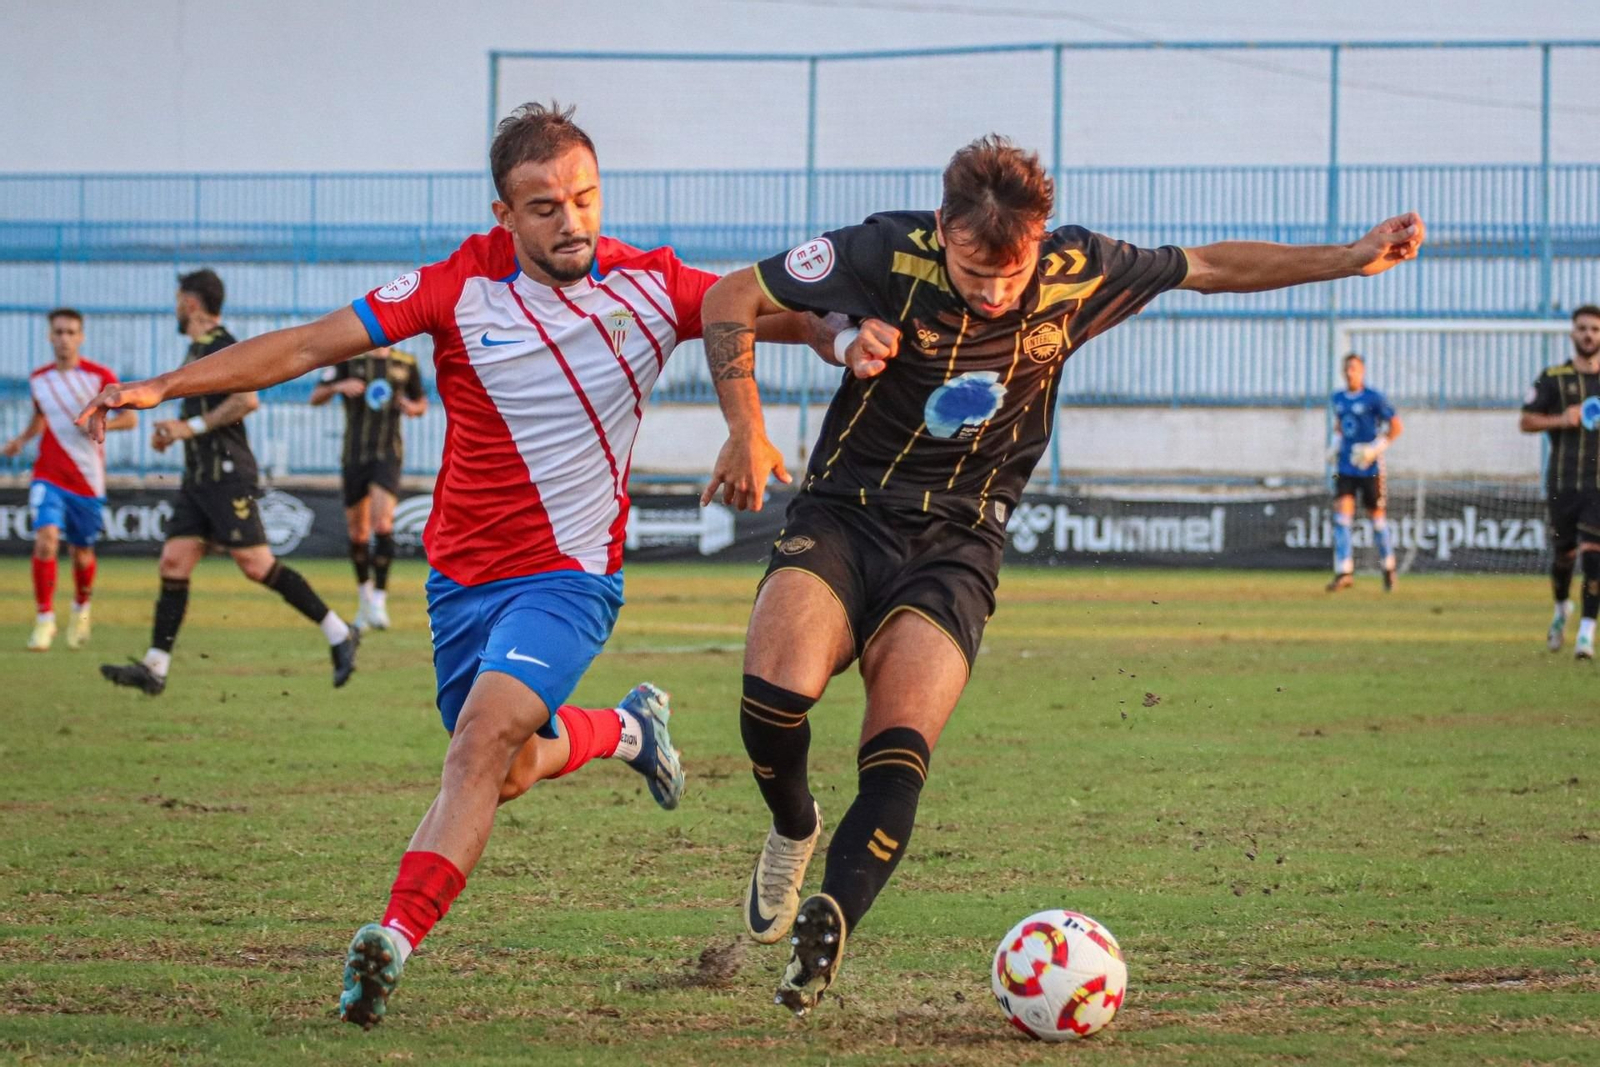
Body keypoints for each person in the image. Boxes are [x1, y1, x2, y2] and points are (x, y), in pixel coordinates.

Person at [77, 101, 837, 1029]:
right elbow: (307, 345)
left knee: (478, 743)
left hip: (568, 580)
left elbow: (768, 312)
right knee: (506, 768)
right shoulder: (455, 286)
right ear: (504, 214)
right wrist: (163, 383)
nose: (573, 222)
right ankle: (629, 731)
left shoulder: (652, 285)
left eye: (586, 198)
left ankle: (390, 937)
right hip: (462, 584)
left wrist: (851, 336)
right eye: (546, 206)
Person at [698, 134, 1425, 1016]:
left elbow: (1215, 266)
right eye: (974, 270)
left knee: (900, 750)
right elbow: (735, 297)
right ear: (943, 229)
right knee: (773, 701)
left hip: (960, 543)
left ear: (1041, 239)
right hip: (845, 511)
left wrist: (1346, 259)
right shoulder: (883, 249)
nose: (996, 292)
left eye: (1013, 273)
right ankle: (792, 825)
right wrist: (758, 415)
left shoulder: (1082, 269)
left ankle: (829, 924)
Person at [97, 269, 360, 695]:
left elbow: (246, 399)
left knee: (256, 565)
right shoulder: (196, 351)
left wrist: (192, 427)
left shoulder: (222, 346)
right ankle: (155, 667)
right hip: (198, 477)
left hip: (226, 475)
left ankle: (339, 632)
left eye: (179, 298)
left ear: (192, 302)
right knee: (174, 562)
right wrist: (174, 431)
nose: (177, 306)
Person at [2, 308, 137, 650]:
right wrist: (22, 439)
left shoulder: (98, 377)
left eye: (70, 332)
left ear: (81, 337)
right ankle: (44, 619)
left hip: (87, 479)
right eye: (58, 332)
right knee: (46, 539)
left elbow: (130, 420)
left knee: (82, 553)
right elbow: (41, 417)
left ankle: (81, 610)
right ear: (50, 336)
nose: (64, 338)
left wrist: (103, 423)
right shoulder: (39, 379)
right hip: (48, 473)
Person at [309, 345, 428, 629]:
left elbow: (421, 403)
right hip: (354, 456)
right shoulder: (347, 361)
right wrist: (339, 386)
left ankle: (379, 601)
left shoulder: (406, 363)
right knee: (358, 532)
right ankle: (364, 599)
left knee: (383, 524)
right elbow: (315, 397)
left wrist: (412, 408)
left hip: (388, 455)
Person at [1520, 304, 1600, 659]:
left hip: (1597, 488)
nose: (1589, 335)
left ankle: (1586, 632)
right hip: (1563, 483)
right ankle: (1560, 609)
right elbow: (1526, 421)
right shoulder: (1552, 377)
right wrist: (1563, 419)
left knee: (1594, 555)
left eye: (1595, 330)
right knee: (1564, 557)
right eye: (1583, 328)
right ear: (1573, 333)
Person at [1325, 352, 1403, 592]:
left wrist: (1374, 449)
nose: (1351, 372)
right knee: (1341, 517)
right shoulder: (1337, 398)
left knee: (1377, 519)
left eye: (1355, 368)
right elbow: (1340, 426)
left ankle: (1388, 568)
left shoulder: (1374, 398)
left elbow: (1396, 427)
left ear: (1363, 371)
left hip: (1369, 467)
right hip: (1345, 467)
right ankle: (1344, 571)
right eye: (1347, 368)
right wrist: (1335, 445)